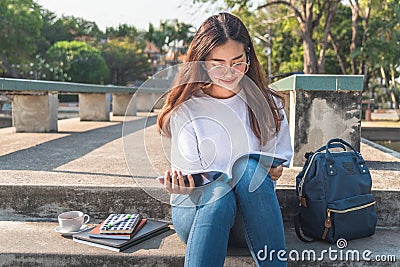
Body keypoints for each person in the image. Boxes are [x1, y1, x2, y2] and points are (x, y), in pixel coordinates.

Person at [157, 12, 293, 267]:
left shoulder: (268, 104)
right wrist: (183, 185)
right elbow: (196, 178)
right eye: (217, 63)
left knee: (248, 168)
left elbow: (277, 162)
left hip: (250, 217)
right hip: (199, 211)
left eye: (237, 61)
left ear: (249, 58)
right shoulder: (187, 108)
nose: (228, 72)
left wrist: (272, 171)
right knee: (218, 191)